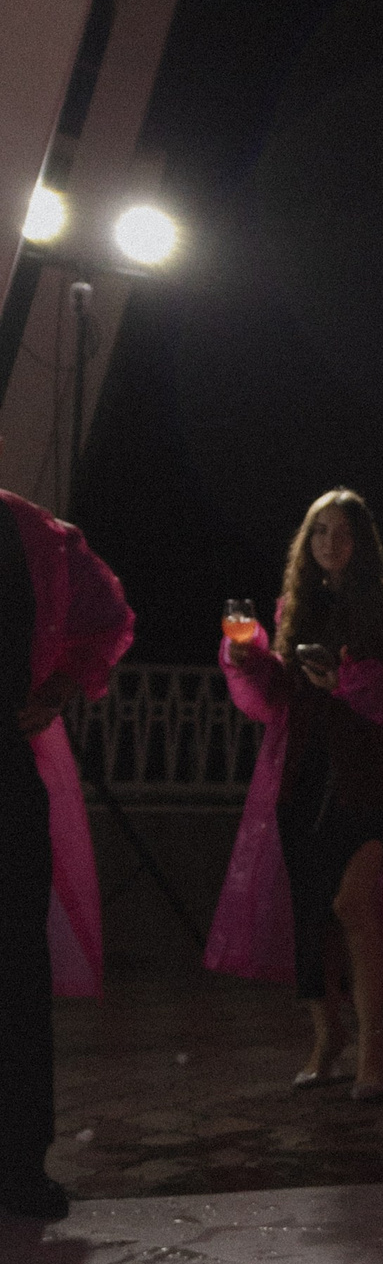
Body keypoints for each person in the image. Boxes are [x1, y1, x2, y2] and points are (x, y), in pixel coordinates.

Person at [206, 490, 383, 1096]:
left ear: (362, 541)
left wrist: (350, 681)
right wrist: (248, 659)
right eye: (320, 532)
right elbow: (277, 695)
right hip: (305, 771)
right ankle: (327, 1036)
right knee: (309, 912)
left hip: (369, 773)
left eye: (343, 532)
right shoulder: (297, 605)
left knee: (355, 904)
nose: (331, 543)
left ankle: (374, 1046)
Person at [0, 489, 135, 1220]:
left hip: (5, 774)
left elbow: (106, 617)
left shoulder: (32, 534)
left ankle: (18, 1164)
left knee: (15, 973)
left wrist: (56, 688)